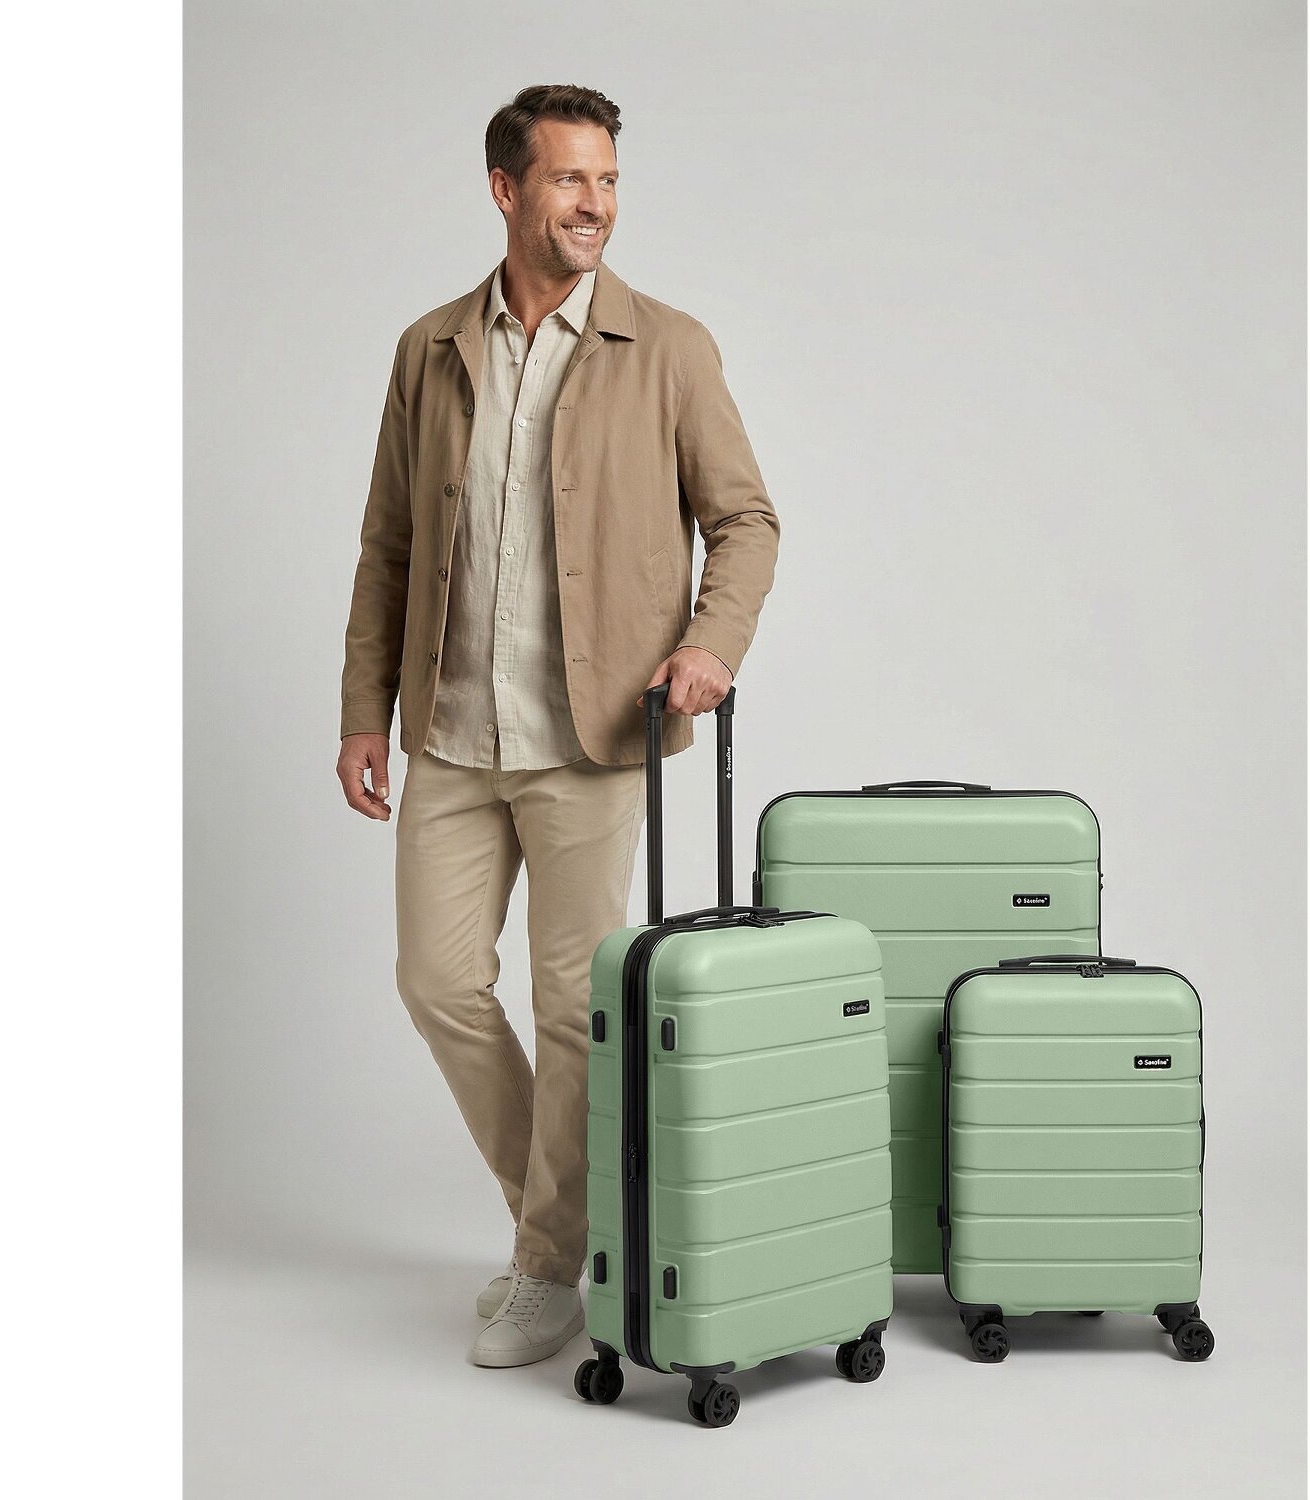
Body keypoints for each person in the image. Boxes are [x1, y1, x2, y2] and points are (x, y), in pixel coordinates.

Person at [335, 83, 779, 1368]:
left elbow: (745, 520)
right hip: (451, 734)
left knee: (577, 1009)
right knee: (436, 983)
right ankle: (577, 1225)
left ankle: (545, 1261)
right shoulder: (430, 348)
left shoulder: (668, 346)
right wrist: (364, 711)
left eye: (610, 180)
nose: (597, 204)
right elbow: (387, 546)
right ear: (507, 189)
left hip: (593, 738)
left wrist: (710, 644)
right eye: (572, 179)